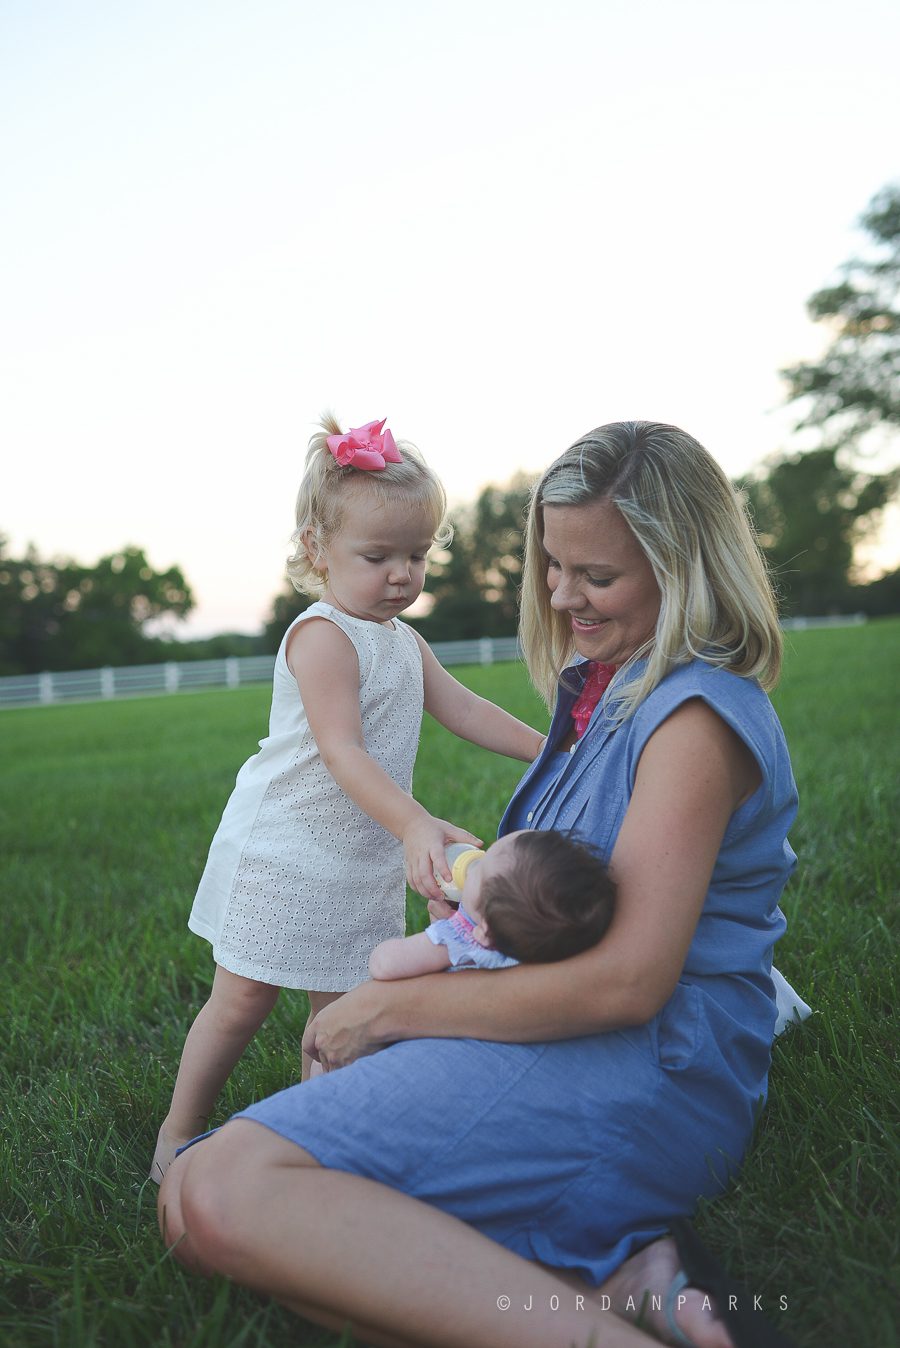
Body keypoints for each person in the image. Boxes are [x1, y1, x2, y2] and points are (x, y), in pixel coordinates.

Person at [158, 420, 801, 1348]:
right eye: (555, 566)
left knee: (222, 1192)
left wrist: (390, 1008)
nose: (562, 596)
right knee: (191, 1199)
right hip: (557, 1020)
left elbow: (630, 982)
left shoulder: (692, 719)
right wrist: (484, 909)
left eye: (596, 576)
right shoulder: (609, 687)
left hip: (646, 1063)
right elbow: (582, 897)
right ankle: (614, 1276)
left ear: (685, 569)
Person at [150, 414, 544, 1183]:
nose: (402, 575)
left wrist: (553, 747)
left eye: (417, 555)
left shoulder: (403, 640)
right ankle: (178, 1131)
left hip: (357, 855)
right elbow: (342, 751)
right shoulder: (323, 635)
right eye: (378, 556)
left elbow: (465, 709)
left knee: (341, 1012)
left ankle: (314, 1136)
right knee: (242, 999)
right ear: (316, 550)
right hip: (286, 850)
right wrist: (415, 823)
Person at [369, 829, 616, 978]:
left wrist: (443, 933)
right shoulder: (540, 950)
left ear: (484, 932)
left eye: (479, 870)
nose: (474, 865)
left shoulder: (460, 939)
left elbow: (383, 964)